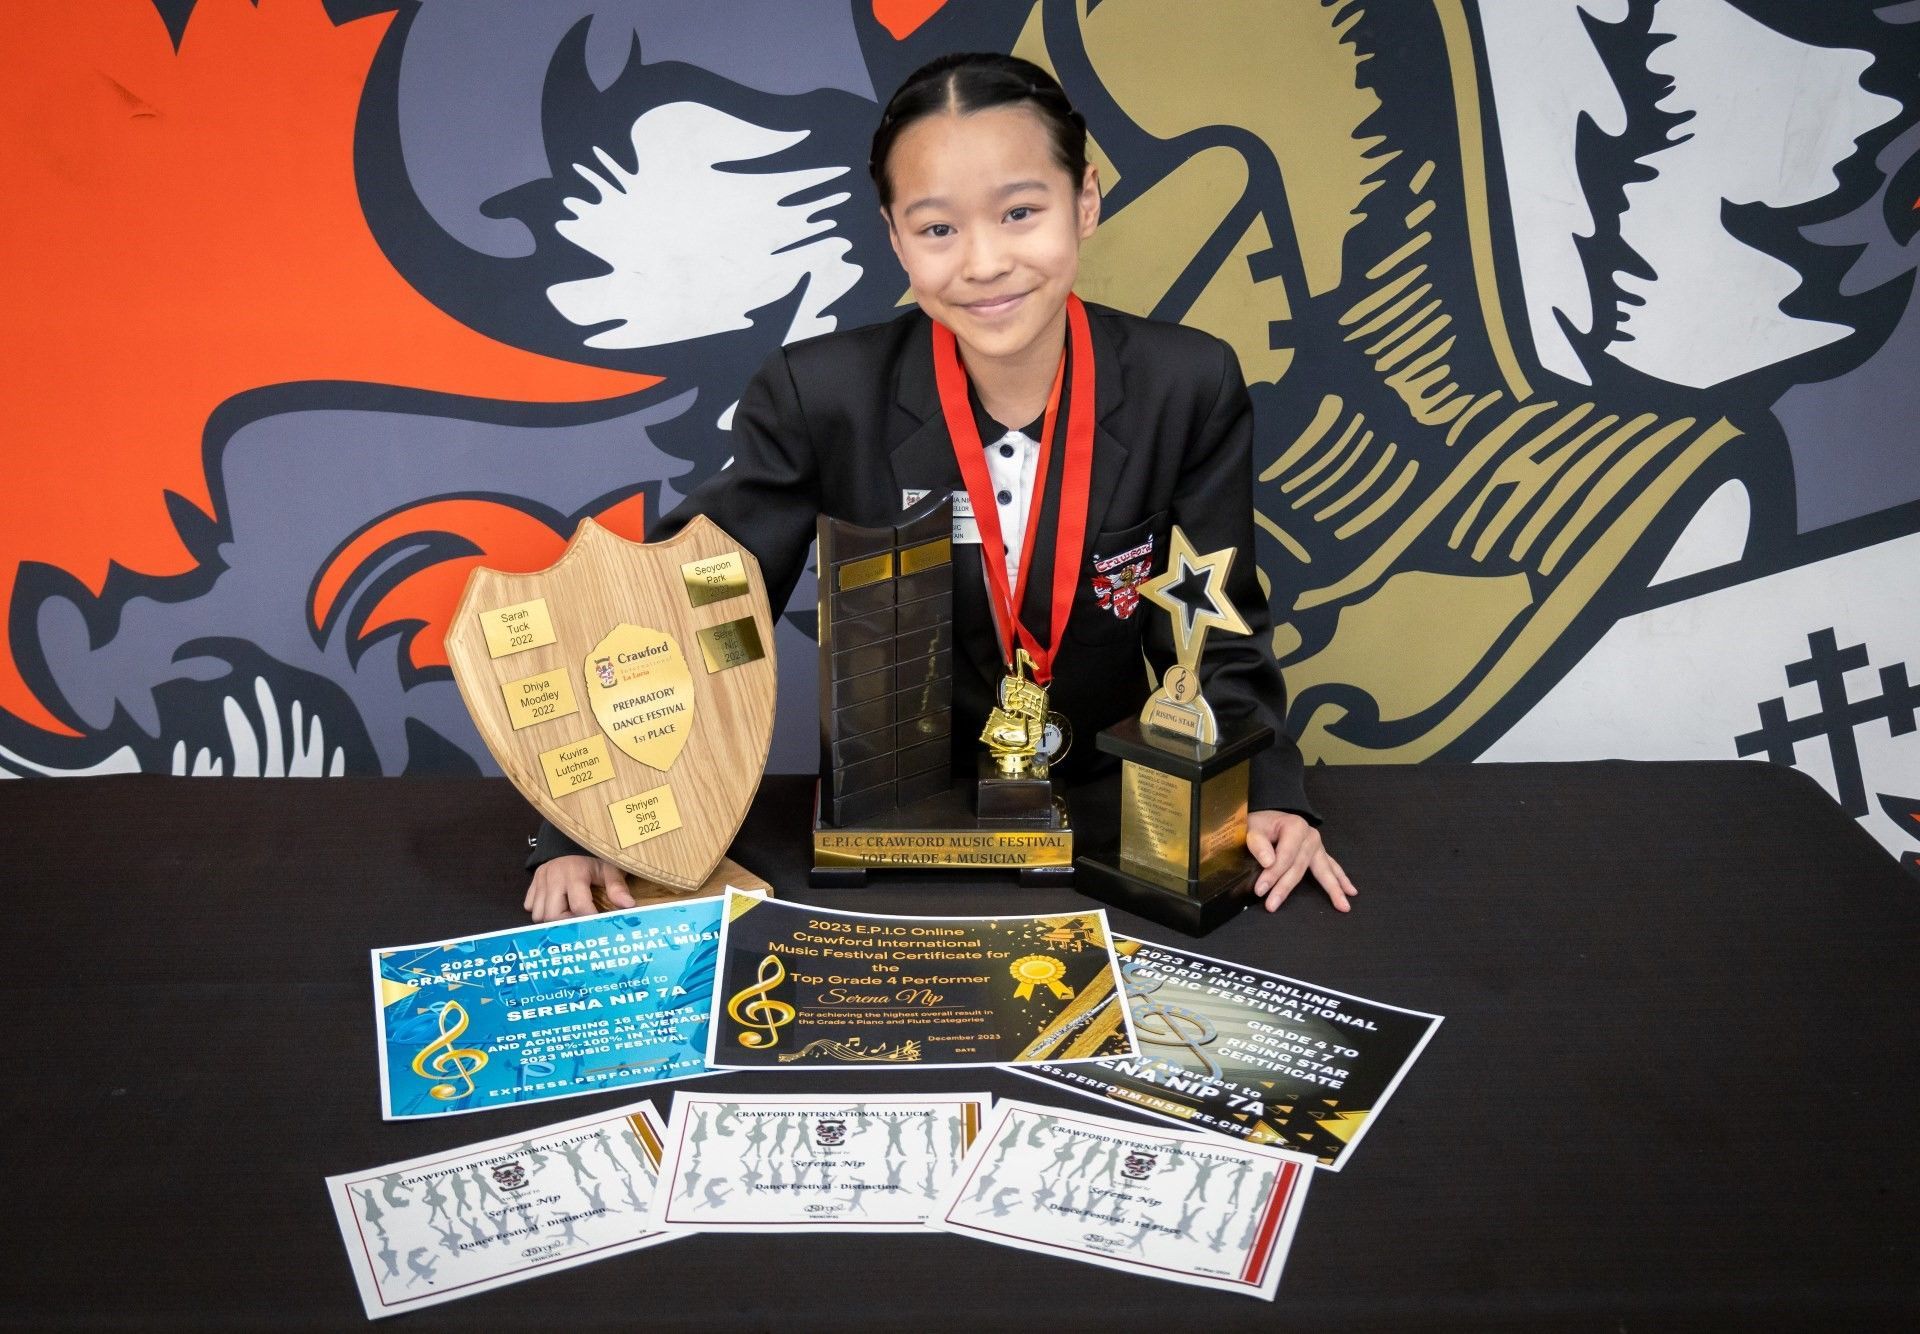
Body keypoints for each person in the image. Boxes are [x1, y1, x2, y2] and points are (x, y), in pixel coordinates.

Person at [523, 52, 1356, 923]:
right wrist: (586, 824)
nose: (985, 262)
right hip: (888, 834)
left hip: (1102, 830)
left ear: (1087, 201)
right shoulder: (823, 396)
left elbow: (1218, 628)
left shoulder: (1186, 383)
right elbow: (686, 622)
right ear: (894, 237)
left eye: (1021, 212)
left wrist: (1265, 793)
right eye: (938, 230)